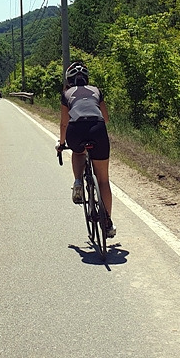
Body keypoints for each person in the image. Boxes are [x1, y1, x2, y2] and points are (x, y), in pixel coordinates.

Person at [56, 60, 115, 238]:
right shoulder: (96, 90)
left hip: (76, 130)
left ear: (69, 80)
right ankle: (107, 222)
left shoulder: (66, 94)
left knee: (78, 152)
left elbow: (64, 123)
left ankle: (77, 183)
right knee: (103, 180)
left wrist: (61, 144)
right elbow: (106, 118)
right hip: (97, 128)